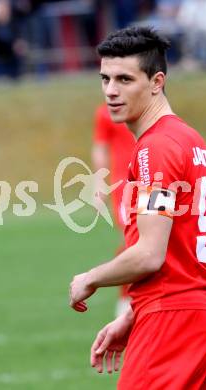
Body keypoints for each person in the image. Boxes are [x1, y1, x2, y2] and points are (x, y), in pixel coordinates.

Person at [69, 26, 206, 389]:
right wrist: (136, 313)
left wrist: (89, 279)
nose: (111, 90)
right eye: (105, 78)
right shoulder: (188, 138)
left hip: (173, 323)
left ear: (157, 82)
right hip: (192, 316)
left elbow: (149, 254)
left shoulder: (156, 148)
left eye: (125, 79)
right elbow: (180, 253)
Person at [92, 103, 136, 316]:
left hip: (152, 179)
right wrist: (100, 184)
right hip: (123, 186)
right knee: (132, 241)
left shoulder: (145, 106)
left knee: (142, 242)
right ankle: (126, 301)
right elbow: (100, 147)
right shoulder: (105, 112)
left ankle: (132, 301)